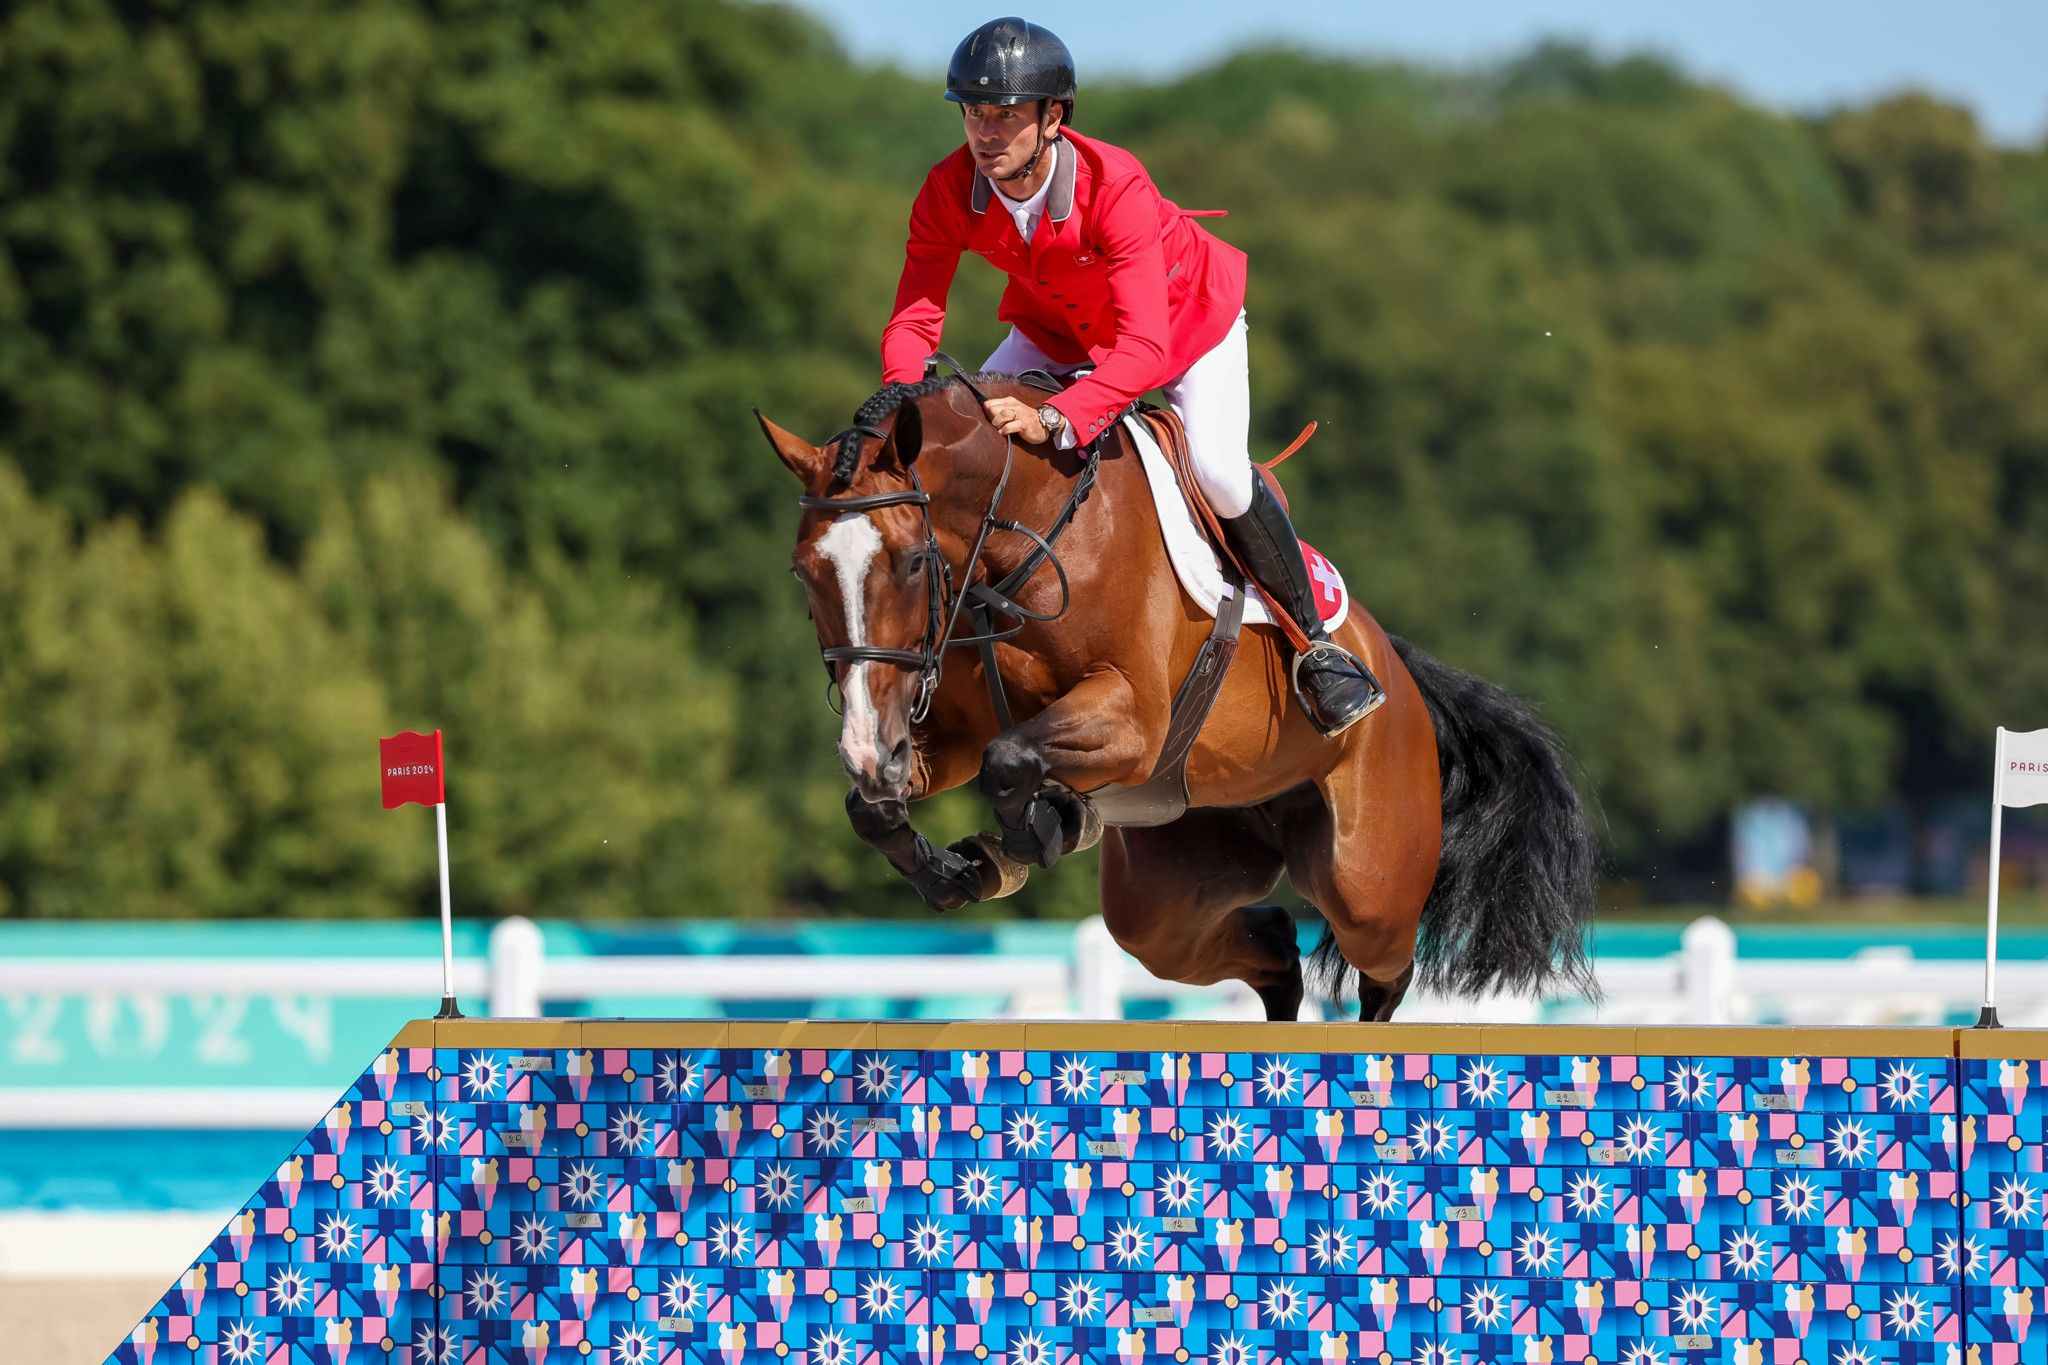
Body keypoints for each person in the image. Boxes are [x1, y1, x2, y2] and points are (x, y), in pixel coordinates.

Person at [879, 17, 1384, 736]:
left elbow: (1142, 346)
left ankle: (1317, 647)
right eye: (972, 113)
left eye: (1004, 115)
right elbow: (914, 319)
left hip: (1182, 328)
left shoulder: (1115, 186)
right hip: (1057, 331)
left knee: (1218, 472)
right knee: (961, 449)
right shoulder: (948, 189)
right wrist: (902, 403)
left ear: (1053, 117)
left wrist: (1058, 417)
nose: (984, 132)